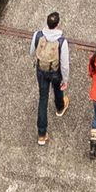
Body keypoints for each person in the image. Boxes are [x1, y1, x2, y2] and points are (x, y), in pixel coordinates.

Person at [30, 11, 70, 145]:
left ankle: (42, 134)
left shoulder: (38, 35)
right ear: (58, 25)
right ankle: (60, 107)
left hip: (41, 70)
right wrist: (65, 80)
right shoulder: (61, 41)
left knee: (43, 98)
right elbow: (64, 64)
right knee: (58, 89)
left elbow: (32, 52)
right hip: (55, 71)